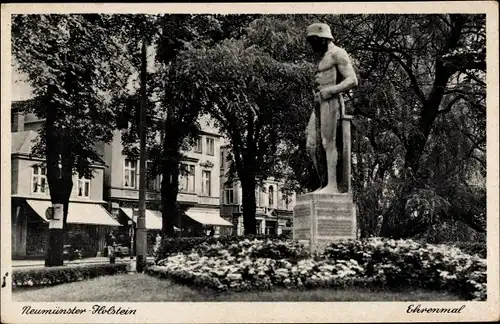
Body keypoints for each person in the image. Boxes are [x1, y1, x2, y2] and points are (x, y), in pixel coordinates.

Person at [305, 23, 358, 194]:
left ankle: (332, 185)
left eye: (312, 40)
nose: (310, 45)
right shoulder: (322, 57)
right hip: (319, 103)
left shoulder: (338, 53)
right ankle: (324, 183)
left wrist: (331, 90)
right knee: (311, 143)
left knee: (329, 142)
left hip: (332, 101)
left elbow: (352, 80)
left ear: (321, 39)